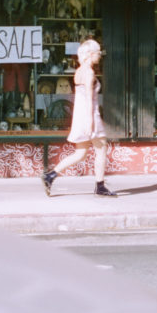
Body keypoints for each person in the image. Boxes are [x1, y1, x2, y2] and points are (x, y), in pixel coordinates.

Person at [41, 39, 116, 197]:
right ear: (89, 54)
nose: (99, 56)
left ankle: (50, 175)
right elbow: (89, 98)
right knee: (101, 148)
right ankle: (100, 186)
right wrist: (91, 121)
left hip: (80, 114)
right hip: (90, 114)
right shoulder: (89, 72)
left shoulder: (79, 71)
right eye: (97, 53)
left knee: (80, 153)